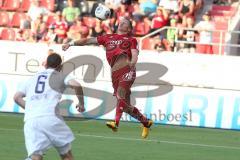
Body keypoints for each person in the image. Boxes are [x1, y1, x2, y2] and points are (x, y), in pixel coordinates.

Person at [62, 17, 153, 138]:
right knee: (125, 106)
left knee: (120, 95)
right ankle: (146, 122)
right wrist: (71, 43)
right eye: (120, 22)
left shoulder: (131, 40)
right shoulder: (108, 37)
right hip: (115, 73)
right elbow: (88, 41)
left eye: (125, 23)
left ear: (129, 28)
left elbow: (135, 53)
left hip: (127, 69)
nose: (121, 23)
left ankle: (116, 123)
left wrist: (133, 62)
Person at [14, 53, 85, 160]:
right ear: (60, 67)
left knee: (35, 157)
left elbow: (16, 97)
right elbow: (77, 85)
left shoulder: (32, 78)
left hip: (31, 120)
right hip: (50, 117)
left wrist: (31, 109)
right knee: (66, 155)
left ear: (45, 64)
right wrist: (81, 103)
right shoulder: (60, 75)